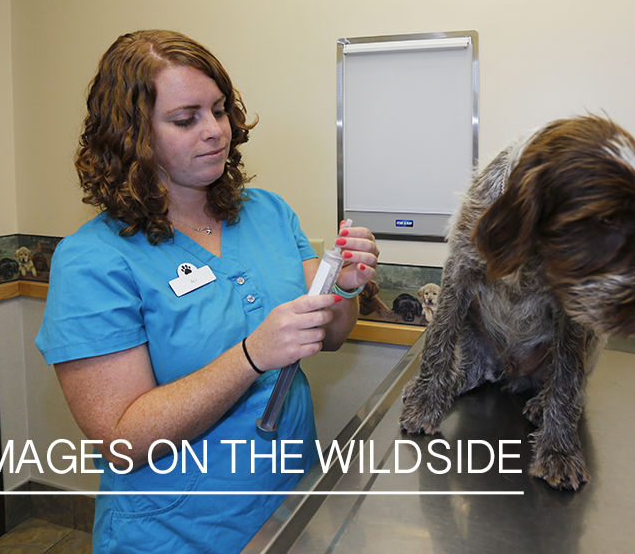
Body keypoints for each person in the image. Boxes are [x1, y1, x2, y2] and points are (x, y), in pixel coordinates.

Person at [35, 30, 378, 553]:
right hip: (176, 531)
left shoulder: (266, 212)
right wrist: (250, 356)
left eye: (218, 110)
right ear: (132, 136)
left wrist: (345, 287)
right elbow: (122, 439)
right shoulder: (95, 259)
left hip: (290, 504)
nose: (215, 131)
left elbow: (329, 334)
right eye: (185, 118)